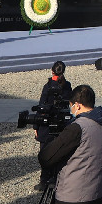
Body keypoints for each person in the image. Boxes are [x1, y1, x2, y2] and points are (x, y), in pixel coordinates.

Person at [34, 61, 75, 190]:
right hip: (61, 123)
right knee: (59, 152)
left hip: (47, 125)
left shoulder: (48, 87)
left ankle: (44, 180)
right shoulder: (67, 85)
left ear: (52, 71)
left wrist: (36, 126)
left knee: (45, 153)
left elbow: (41, 107)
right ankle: (55, 178)